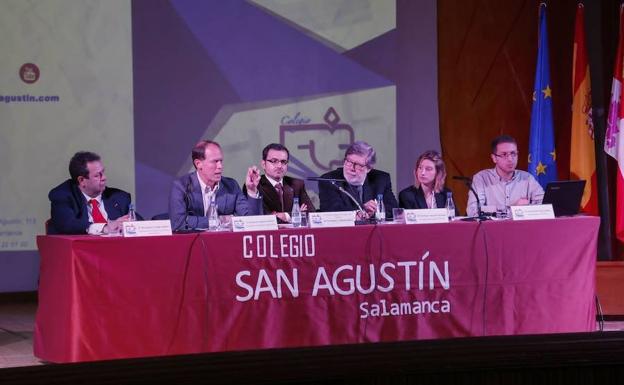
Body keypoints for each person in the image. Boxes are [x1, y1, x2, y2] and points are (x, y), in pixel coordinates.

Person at [169, 140, 262, 231]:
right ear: (198, 164)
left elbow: (251, 222)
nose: (220, 166)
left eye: (221, 161)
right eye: (215, 161)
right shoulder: (181, 187)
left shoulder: (231, 186)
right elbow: (178, 223)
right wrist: (217, 221)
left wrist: (252, 190)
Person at [48, 151, 131, 235]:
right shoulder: (62, 195)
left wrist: (130, 224)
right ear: (81, 180)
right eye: (97, 175)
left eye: (103, 172)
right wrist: (104, 228)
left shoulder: (119, 197)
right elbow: (67, 225)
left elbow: (139, 223)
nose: (104, 178)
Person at [467, 135, 544, 217]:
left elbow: (545, 206)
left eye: (513, 153)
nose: (510, 159)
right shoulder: (481, 178)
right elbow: (473, 212)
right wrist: (515, 210)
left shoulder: (527, 178)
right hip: (492, 229)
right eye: (504, 154)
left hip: (521, 228)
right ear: (494, 158)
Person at [318, 140, 397, 219]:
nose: (351, 168)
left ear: (369, 168)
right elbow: (331, 211)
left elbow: (392, 210)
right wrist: (361, 210)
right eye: (349, 161)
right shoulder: (329, 180)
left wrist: (372, 213)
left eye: (358, 165)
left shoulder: (381, 179)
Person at [249, 143, 315, 223]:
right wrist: (297, 214)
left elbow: (311, 214)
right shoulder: (255, 186)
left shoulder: (296, 184)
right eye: (274, 161)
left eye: (283, 161)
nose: (280, 166)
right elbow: (262, 218)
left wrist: (286, 216)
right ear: (263, 164)